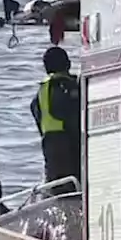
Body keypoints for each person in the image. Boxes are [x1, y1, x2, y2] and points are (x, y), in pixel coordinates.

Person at [31, 46, 81, 194]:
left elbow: (36, 113)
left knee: (58, 192)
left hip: (51, 150)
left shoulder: (42, 92)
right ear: (68, 64)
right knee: (74, 191)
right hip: (69, 148)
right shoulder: (68, 88)